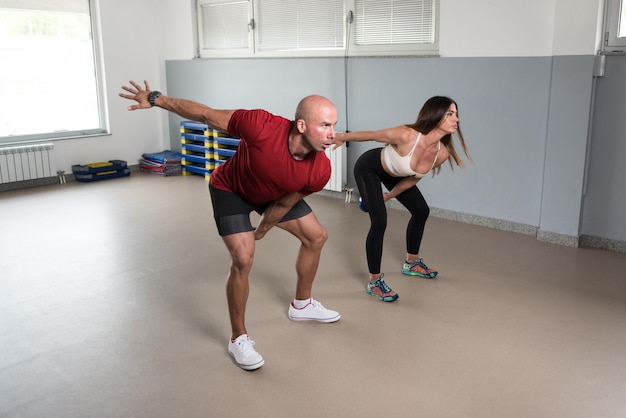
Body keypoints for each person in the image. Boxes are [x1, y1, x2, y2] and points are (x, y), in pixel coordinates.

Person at [119, 80, 341, 371]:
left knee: (316, 236)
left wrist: (261, 230)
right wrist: (158, 99)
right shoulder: (261, 125)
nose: (332, 135)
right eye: (325, 125)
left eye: (334, 126)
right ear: (301, 125)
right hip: (231, 189)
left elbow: (285, 204)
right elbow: (206, 115)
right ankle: (238, 338)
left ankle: (302, 305)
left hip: (271, 196)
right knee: (243, 258)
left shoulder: (320, 169)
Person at [333, 96, 471, 303]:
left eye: (456, 114)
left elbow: (411, 179)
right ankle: (374, 281)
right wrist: (341, 137)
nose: (456, 119)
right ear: (434, 115)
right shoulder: (406, 135)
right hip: (369, 168)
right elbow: (372, 135)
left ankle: (412, 263)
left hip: (396, 175)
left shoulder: (440, 153)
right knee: (379, 221)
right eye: (450, 114)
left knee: (421, 211)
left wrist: (389, 195)